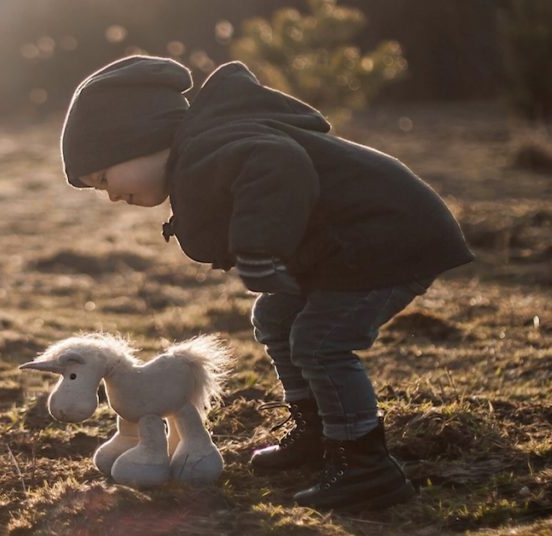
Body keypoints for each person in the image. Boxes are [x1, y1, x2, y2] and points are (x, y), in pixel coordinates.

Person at [59, 55, 473, 510]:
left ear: (138, 138)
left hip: (390, 237)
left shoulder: (212, 146)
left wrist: (259, 249)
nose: (112, 195)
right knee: (275, 314)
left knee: (320, 341)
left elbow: (278, 162)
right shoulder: (200, 153)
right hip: (351, 248)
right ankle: (316, 431)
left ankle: (365, 466)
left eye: (104, 177)